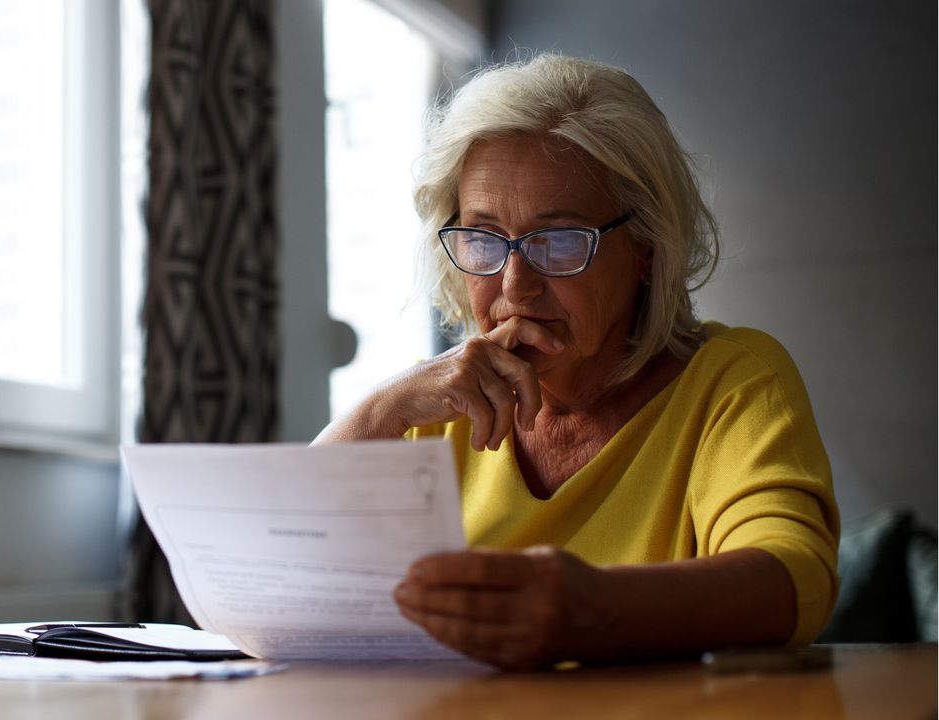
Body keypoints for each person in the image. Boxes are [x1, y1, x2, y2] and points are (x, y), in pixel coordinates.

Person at [314, 54, 839, 670]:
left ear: (646, 247)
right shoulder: (438, 405)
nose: (516, 285)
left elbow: (792, 582)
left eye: (559, 240)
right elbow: (271, 565)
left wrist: (591, 609)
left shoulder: (731, 382)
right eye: (483, 238)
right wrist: (383, 406)